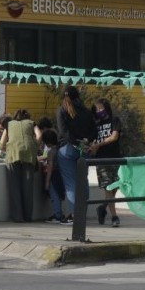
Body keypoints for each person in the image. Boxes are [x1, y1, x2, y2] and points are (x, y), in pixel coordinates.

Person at [55, 85, 97, 217]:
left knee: (71, 184)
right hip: (84, 149)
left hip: (67, 149)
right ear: (78, 96)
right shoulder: (86, 111)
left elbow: (63, 132)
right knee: (83, 180)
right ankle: (83, 212)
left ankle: (76, 215)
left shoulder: (62, 110)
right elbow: (94, 131)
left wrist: (74, 142)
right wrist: (85, 141)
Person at [0, 108, 39, 222]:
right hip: (29, 154)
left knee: (14, 186)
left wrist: (8, 148)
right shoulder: (31, 123)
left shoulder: (9, 125)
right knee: (28, 187)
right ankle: (28, 216)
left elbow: (1, 144)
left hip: (13, 154)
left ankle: (18, 217)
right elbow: (39, 135)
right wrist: (34, 146)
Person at [89, 97, 122, 227]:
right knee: (109, 187)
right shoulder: (95, 125)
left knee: (116, 186)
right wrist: (92, 146)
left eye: (101, 108)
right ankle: (114, 217)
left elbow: (114, 136)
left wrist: (99, 145)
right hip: (102, 159)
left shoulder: (115, 121)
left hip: (115, 157)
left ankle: (102, 207)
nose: (99, 111)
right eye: (96, 109)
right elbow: (92, 141)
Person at [39, 126, 70, 224]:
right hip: (61, 174)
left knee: (54, 196)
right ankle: (58, 213)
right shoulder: (60, 149)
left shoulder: (51, 152)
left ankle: (57, 215)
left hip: (54, 176)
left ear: (47, 142)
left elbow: (50, 166)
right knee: (59, 195)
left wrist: (47, 182)